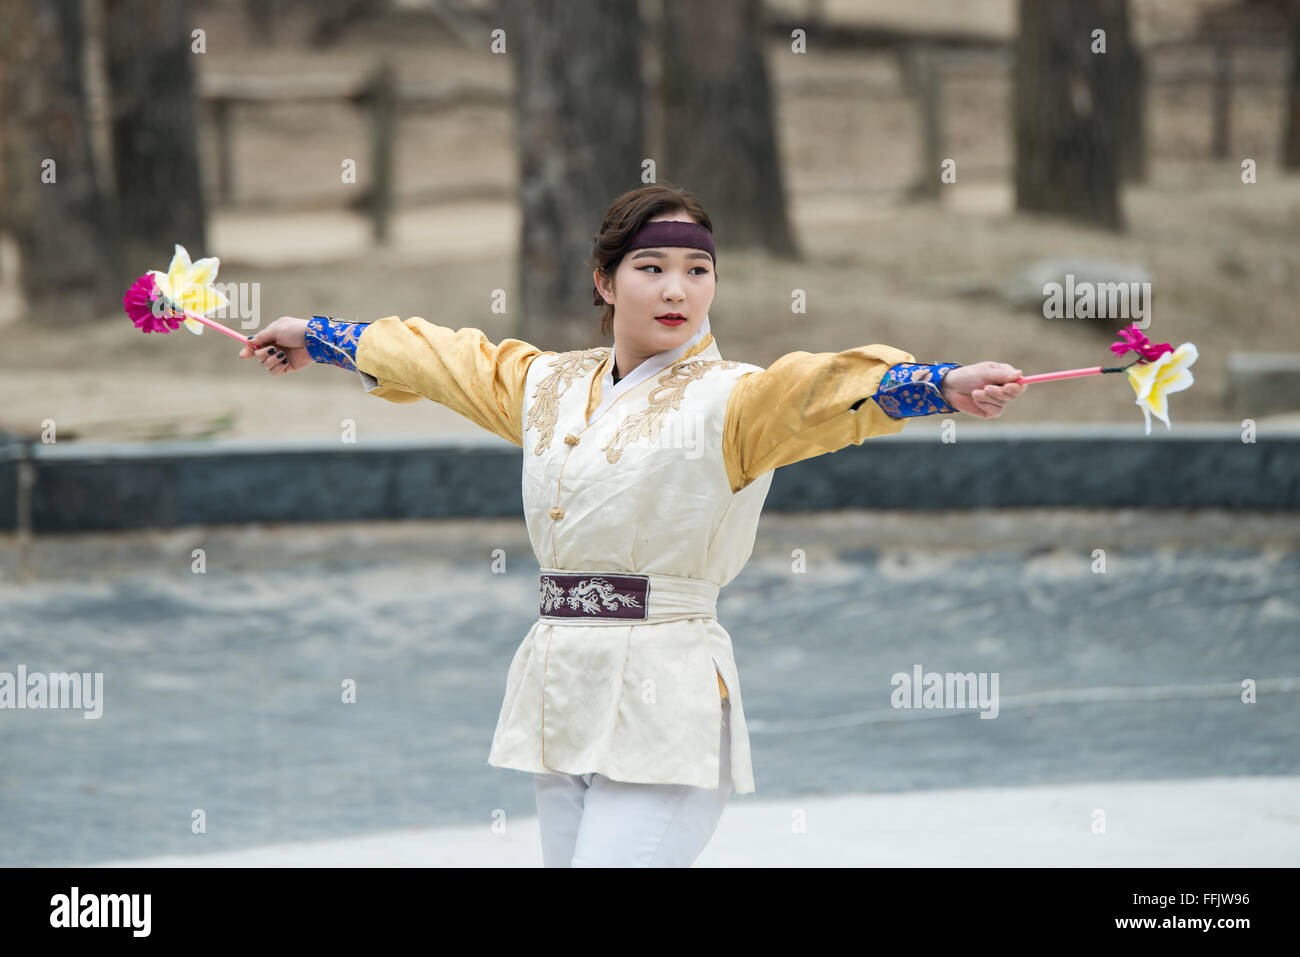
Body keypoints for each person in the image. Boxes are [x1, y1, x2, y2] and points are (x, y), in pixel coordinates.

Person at [239, 183, 1026, 866]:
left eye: (698, 270)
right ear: (605, 281)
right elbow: (447, 360)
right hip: (562, 694)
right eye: (652, 268)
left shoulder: (735, 400)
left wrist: (940, 383)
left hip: (668, 709)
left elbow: (819, 391)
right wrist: (319, 336)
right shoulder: (548, 384)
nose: (677, 288)